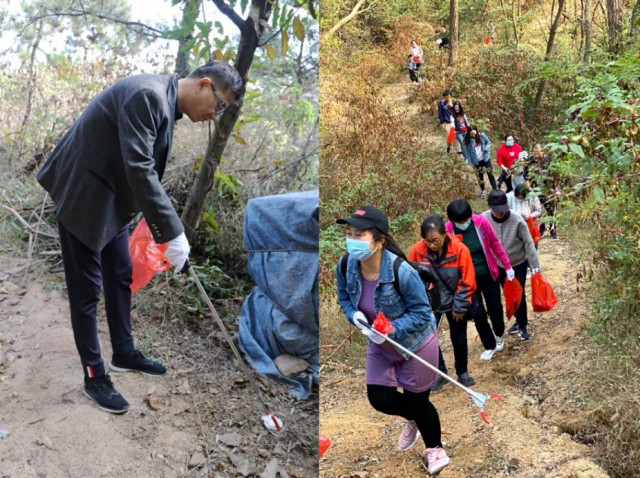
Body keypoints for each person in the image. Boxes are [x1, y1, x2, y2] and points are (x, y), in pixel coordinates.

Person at [36, 61, 243, 414]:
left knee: (120, 274)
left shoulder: (165, 100)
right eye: (219, 104)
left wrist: (161, 228)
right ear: (204, 84)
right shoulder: (148, 95)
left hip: (111, 199)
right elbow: (139, 167)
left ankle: (123, 352)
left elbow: (138, 165)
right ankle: (94, 376)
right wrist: (173, 232)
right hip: (84, 194)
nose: (216, 114)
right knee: (87, 292)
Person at [336, 206, 450, 475]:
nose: (352, 239)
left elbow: (423, 314)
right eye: (349, 233)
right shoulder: (346, 265)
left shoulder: (402, 272)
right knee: (379, 398)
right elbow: (344, 296)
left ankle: (435, 449)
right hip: (379, 344)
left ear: (379, 240)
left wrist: (390, 328)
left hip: (415, 345)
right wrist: (354, 316)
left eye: (359, 234)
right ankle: (411, 418)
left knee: (418, 402)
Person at [407, 215, 477, 390]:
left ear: (445, 233)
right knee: (430, 340)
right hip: (430, 302)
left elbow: (467, 280)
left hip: (455, 300)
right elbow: (409, 276)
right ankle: (440, 373)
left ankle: (462, 372)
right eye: (427, 241)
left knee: (459, 338)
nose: (432, 245)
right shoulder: (417, 250)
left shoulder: (460, 250)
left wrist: (460, 306)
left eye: (435, 240)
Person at [445, 200, 515, 364]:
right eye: (459, 222)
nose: (463, 224)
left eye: (465, 220)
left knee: (495, 308)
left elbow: (494, 244)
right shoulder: (448, 229)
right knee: (478, 314)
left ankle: (498, 334)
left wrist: (507, 265)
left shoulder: (480, 223)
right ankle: (489, 344)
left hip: (488, 274)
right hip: (467, 280)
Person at [483, 190, 541, 340]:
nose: (500, 214)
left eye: (503, 210)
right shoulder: (484, 219)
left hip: (518, 262)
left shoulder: (517, 220)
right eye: (497, 211)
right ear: (490, 207)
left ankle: (522, 325)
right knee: (508, 293)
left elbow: (529, 244)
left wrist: (535, 266)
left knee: (518, 294)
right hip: (498, 265)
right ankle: (517, 319)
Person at [527, 143, 558, 239]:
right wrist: (529, 188)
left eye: (538, 152)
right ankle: (541, 227)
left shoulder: (548, 161)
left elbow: (555, 175)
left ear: (542, 151)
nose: (535, 155)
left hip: (548, 188)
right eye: (534, 153)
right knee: (537, 209)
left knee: (550, 209)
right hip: (535, 189)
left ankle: (553, 229)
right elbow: (526, 175)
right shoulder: (530, 160)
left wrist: (556, 188)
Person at [463, 125, 497, 196]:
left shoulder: (482, 136)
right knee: (479, 176)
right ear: (469, 133)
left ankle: (495, 189)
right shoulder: (467, 141)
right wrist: (470, 163)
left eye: (474, 133)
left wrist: (486, 148)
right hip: (476, 161)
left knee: (490, 174)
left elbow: (488, 142)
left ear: (476, 131)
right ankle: (483, 190)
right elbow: (467, 153)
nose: (473, 135)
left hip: (485, 158)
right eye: (471, 133)